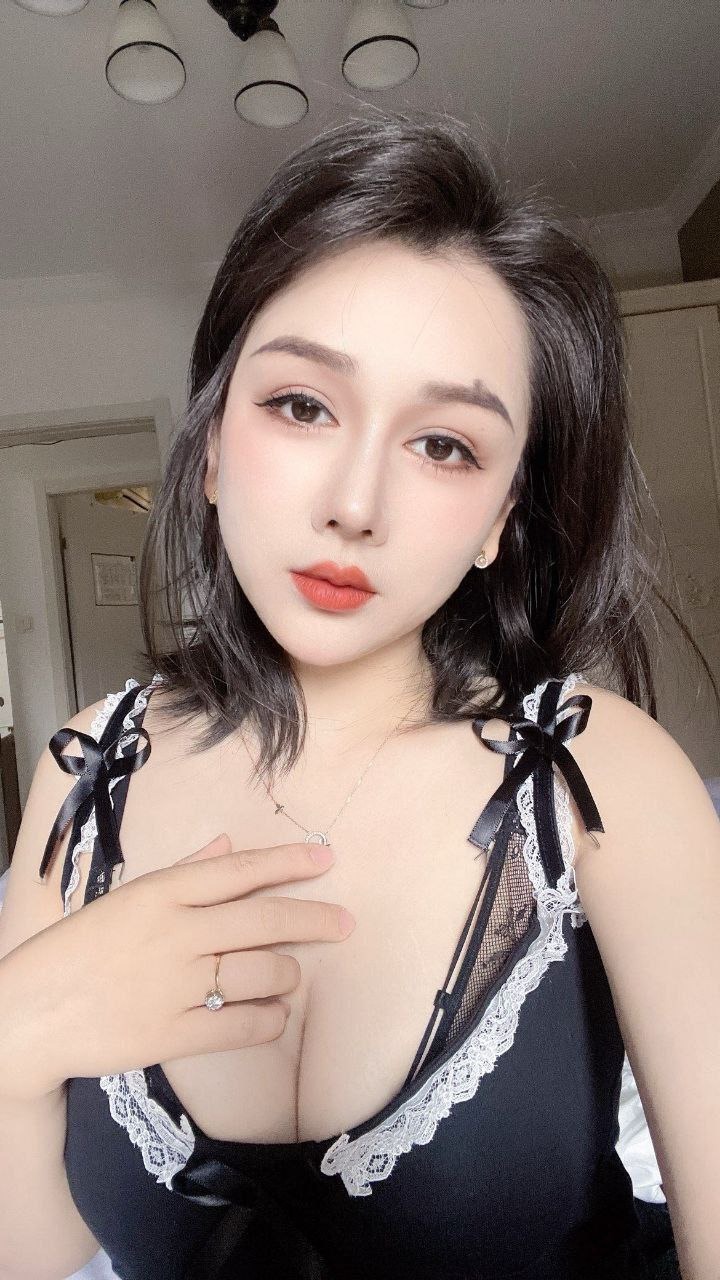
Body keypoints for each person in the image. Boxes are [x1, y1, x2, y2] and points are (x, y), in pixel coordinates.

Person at [0, 109, 718, 1280]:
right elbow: (34, 1248)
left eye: (445, 445)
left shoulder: (599, 777)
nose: (354, 502)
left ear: (499, 520)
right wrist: (16, 1031)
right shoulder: (87, 776)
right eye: (302, 404)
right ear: (212, 442)